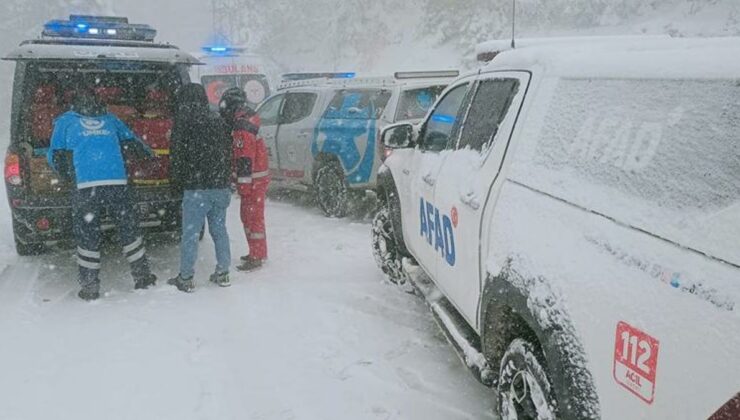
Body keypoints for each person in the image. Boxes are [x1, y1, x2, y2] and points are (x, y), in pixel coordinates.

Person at [47, 88, 157, 301]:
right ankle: (142, 277)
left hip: (87, 186)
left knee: (88, 235)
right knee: (129, 230)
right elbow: (136, 144)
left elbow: (55, 155)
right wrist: (149, 156)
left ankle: (90, 287)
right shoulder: (110, 119)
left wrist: (70, 176)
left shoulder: (65, 121)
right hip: (117, 183)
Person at [168, 83, 233, 291]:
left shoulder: (183, 122)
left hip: (196, 187)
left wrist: (175, 183)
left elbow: (177, 157)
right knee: (219, 230)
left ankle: (186, 278)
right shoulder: (218, 120)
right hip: (220, 185)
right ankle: (223, 272)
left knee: (190, 233)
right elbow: (227, 152)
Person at [219, 88, 271, 272]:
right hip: (258, 178)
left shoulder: (242, 126)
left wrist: (242, 186)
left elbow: (244, 159)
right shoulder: (250, 118)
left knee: (252, 218)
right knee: (252, 217)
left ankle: (256, 256)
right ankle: (258, 252)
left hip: (252, 180)